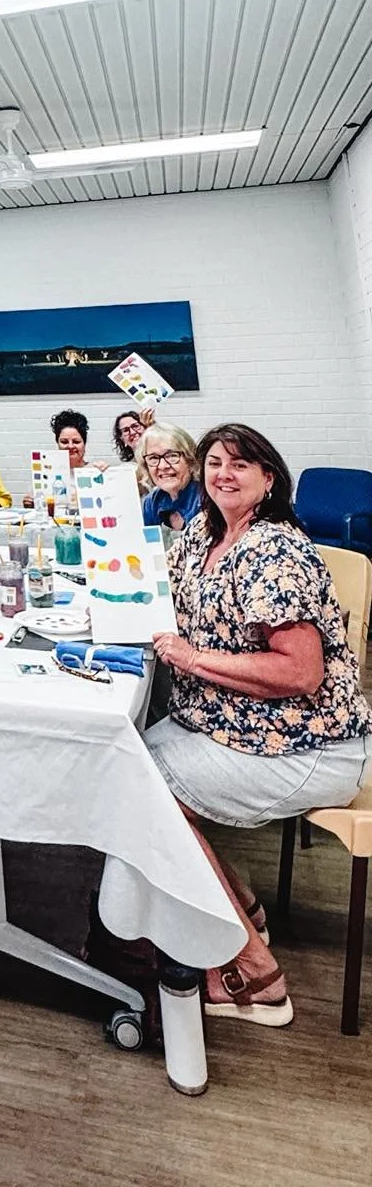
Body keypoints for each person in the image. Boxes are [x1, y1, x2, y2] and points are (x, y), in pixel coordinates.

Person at [147, 424, 372, 1026]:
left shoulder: (273, 550)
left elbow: (300, 671)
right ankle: (239, 907)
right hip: (235, 723)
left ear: (269, 479)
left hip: (308, 742)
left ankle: (253, 974)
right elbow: (156, 588)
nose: (223, 473)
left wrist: (193, 659)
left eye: (240, 464)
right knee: (126, 760)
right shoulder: (204, 532)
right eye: (214, 462)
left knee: (142, 794)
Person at [138, 423, 202, 531]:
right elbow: (150, 541)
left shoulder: (207, 499)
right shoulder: (151, 502)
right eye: (153, 458)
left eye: (172, 455)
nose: (162, 466)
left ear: (190, 460)